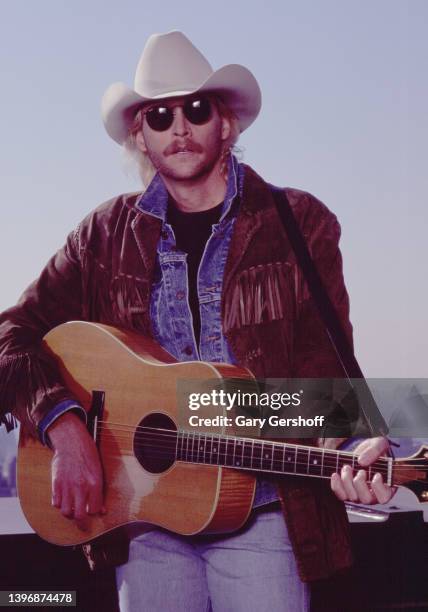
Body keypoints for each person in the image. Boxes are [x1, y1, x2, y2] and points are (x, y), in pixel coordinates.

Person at [0, 30, 393, 611]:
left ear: (226, 123)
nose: (178, 127)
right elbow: (12, 338)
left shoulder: (299, 223)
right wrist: (65, 427)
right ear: (141, 134)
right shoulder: (102, 237)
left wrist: (354, 445)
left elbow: (328, 382)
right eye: (159, 115)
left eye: (196, 109)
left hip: (263, 514)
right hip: (145, 520)